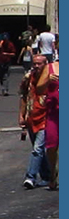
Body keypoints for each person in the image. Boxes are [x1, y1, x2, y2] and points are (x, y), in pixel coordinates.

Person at [18, 52, 51, 189]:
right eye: (34, 64)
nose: (36, 66)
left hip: (46, 118)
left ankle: (30, 177)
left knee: (38, 149)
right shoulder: (28, 79)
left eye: (39, 64)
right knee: (38, 149)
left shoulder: (51, 79)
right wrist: (21, 115)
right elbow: (23, 97)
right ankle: (47, 177)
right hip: (31, 118)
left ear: (45, 64)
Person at [44, 62, 58, 191]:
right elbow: (38, 89)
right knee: (51, 145)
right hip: (54, 113)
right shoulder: (50, 67)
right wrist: (47, 81)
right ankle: (53, 173)